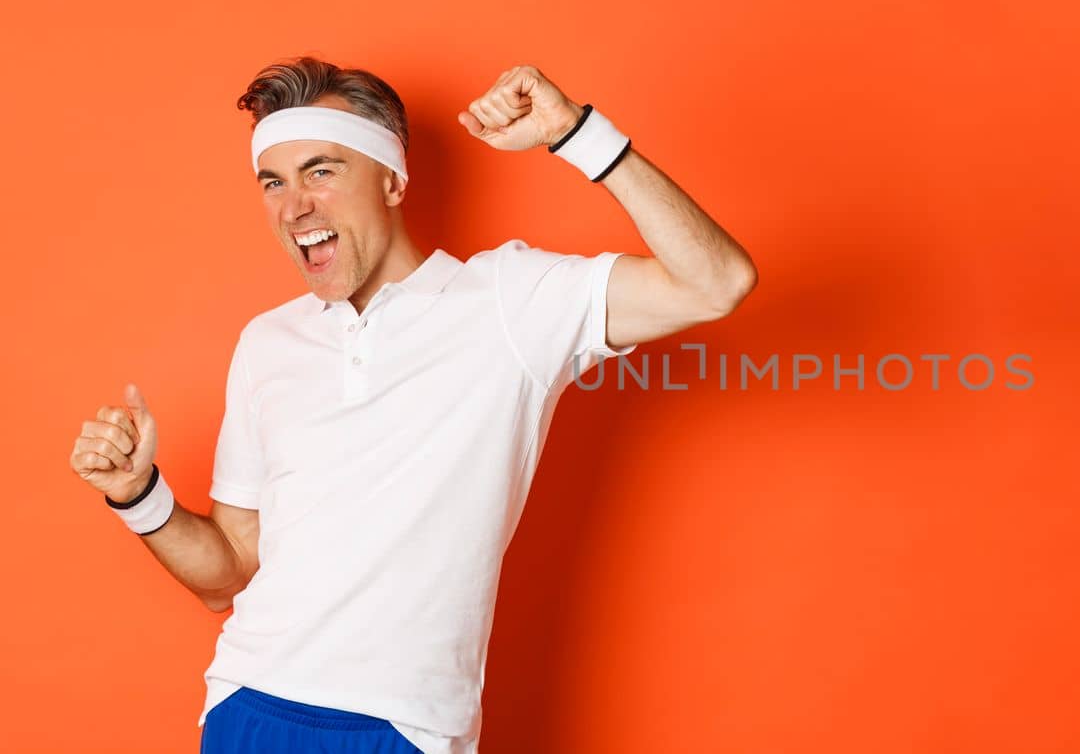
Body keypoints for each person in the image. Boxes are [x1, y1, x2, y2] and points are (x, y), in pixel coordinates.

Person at [66, 56, 757, 754]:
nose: (293, 205)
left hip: (407, 727)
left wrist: (576, 134)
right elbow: (229, 572)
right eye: (273, 181)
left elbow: (716, 282)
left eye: (321, 170)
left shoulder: (509, 302)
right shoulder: (267, 342)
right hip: (247, 706)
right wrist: (139, 497)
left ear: (393, 179)